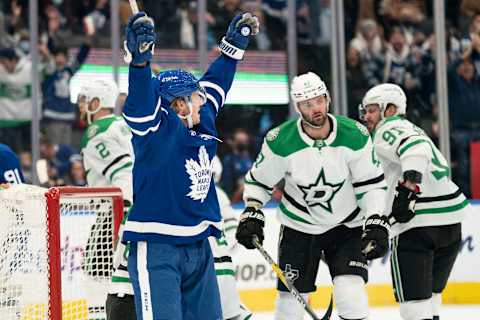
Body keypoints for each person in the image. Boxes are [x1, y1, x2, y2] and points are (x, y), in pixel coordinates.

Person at [120, 10, 259, 320]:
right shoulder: (153, 129)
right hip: (157, 246)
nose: (203, 99)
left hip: (198, 244)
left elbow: (217, 81)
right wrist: (139, 63)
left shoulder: (201, 117)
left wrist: (233, 46)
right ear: (179, 104)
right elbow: (141, 101)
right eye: (196, 96)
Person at [236, 72, 389, 320]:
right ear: (298, 107)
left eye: (319, 100)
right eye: (308, 104)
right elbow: (259, 182)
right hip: (299, 226)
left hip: (347, 224)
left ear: (327, 98)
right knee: (290, 303)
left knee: (351, 293)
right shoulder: (280, 141)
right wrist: (252, 210)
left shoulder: (355, 134)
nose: (316, 108)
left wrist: (374, 219)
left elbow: (371, 183)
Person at [360, 83, 468, 320]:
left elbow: (415, 149)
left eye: (371, 110)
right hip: (449, 222)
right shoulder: (413, 128)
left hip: (417, 224)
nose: (366, 116)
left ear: (389, 109)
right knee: (430, 298)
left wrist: (408, 189)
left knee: (413, 306)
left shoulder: (388, 129)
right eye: (364, 111)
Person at [77, 79, 136, 320]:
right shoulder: (121, 124)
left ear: (96, 102)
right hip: (130, 208)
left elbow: (122, 174)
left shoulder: (97, 131)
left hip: (117, 211)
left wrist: (124, 212)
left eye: (84, 100)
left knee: (96, 270)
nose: (80, 106)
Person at [210, 156, 252, 320]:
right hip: (218, 266)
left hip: (204, 267)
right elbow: (233, 236)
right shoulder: (218, 193)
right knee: (233, 312)